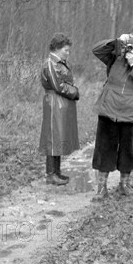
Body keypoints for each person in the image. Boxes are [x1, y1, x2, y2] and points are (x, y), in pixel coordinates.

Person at [91, 31, 133, 199]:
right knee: (104, 149)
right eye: (130, 44)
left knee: (128, 151)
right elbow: (97, 50)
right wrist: (117, 41)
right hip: (109, 110)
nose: (132, 48)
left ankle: (124, 184)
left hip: (132, 114)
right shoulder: (115, 56)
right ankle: (101, 187)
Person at [38, 33, 80, 185]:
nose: (68, 53)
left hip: (60, 103)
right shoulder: (51, 63)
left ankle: (57, 171)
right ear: (56, 48)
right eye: (65, 50)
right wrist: (75, 91)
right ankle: (50, 174)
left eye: (68, 50)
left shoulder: (58, 63)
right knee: (53, 137)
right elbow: (58, 86)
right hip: (54, 103)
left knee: (59, 137)